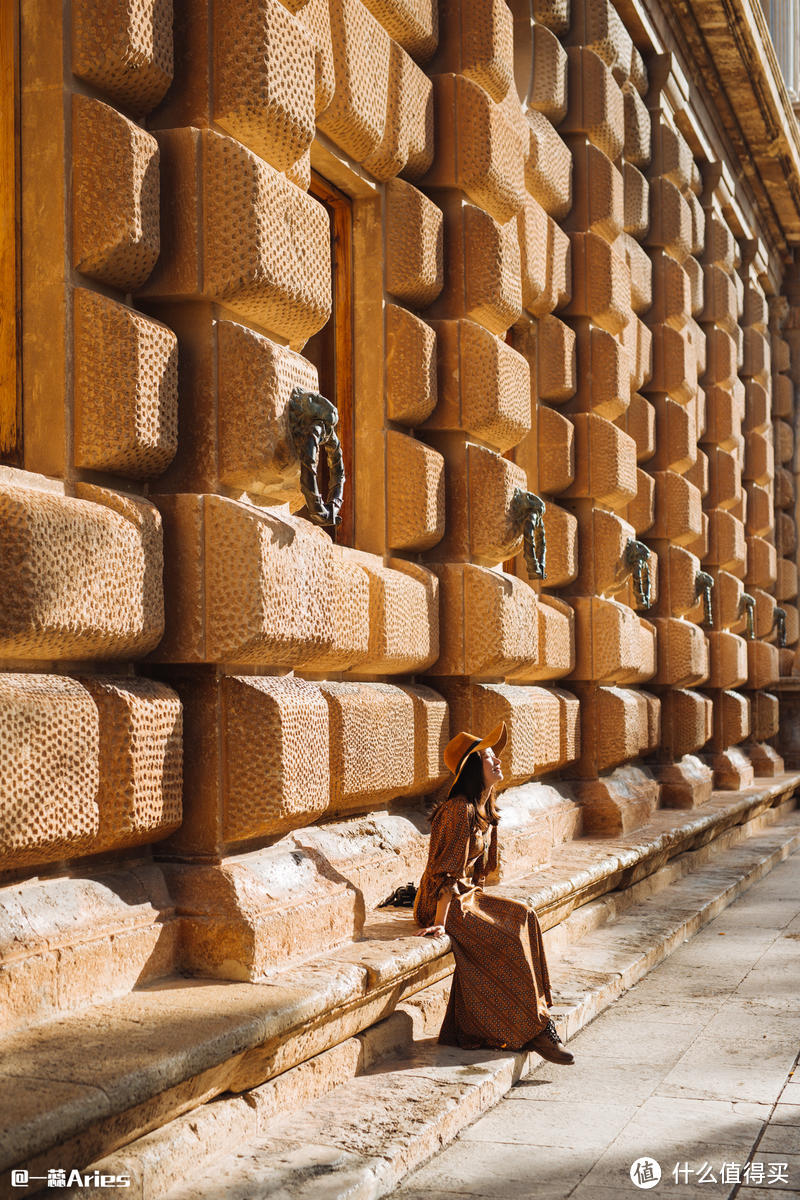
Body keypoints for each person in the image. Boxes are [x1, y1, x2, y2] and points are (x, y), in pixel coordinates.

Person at [414, 721, 574, 1065]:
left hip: (465, 897)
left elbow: (477, 875)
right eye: (489, 757)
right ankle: (535, 1030)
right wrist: (441, 924)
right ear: (474, 768)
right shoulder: (458, 809)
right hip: (441, 902)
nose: (498, 761)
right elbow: (445, 874)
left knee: (525, 916)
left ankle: (510, 1021)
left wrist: (485, 906)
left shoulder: (485, 809)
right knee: (507, 936)